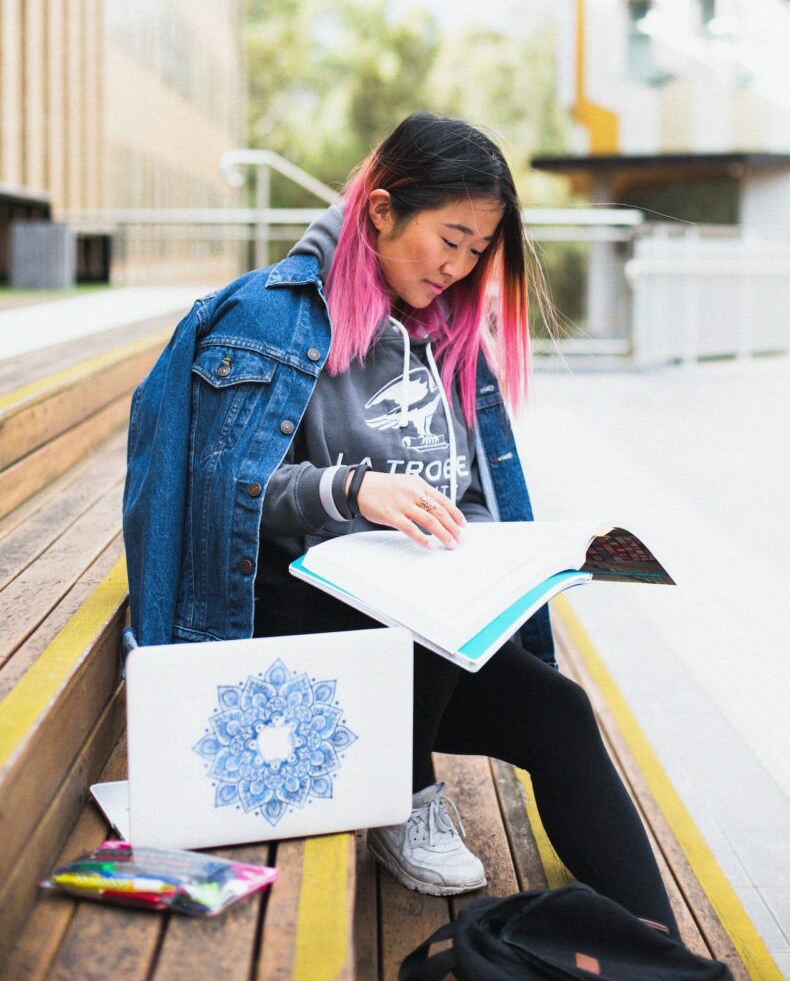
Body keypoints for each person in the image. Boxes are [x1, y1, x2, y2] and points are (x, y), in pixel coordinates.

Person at [123, 111, 678, 935]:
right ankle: (402, 785)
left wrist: (504, 553)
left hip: (425, 645)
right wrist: (352, 490)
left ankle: (665, 954)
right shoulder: (268, 320)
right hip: (293, 636)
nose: (458, 269)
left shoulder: (450, 333)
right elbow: (224, 499)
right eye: (449, 239)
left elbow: (471, 492)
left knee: (560, 711)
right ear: (381, 210)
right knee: (405, 607)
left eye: (476, 252)